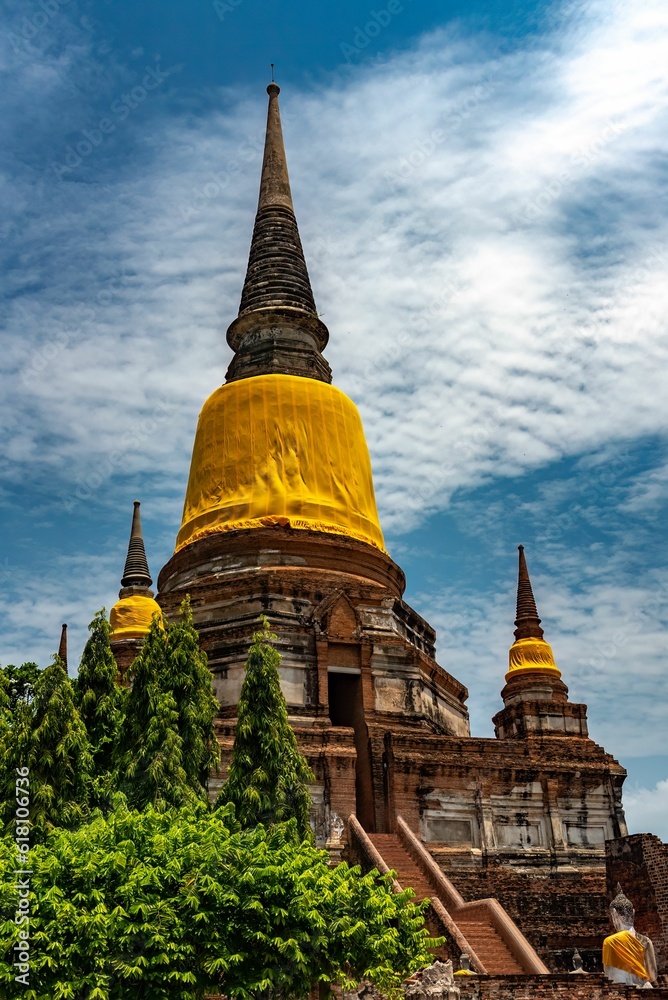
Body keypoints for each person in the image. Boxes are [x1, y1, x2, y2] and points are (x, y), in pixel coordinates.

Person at [602, 884, 657, 989]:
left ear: (614, 914)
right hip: (643, 991)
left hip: (621, 993)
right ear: (633, 913)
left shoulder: (610, 942)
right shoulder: (645, 941)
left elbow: (609, 976)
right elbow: (653, 976)